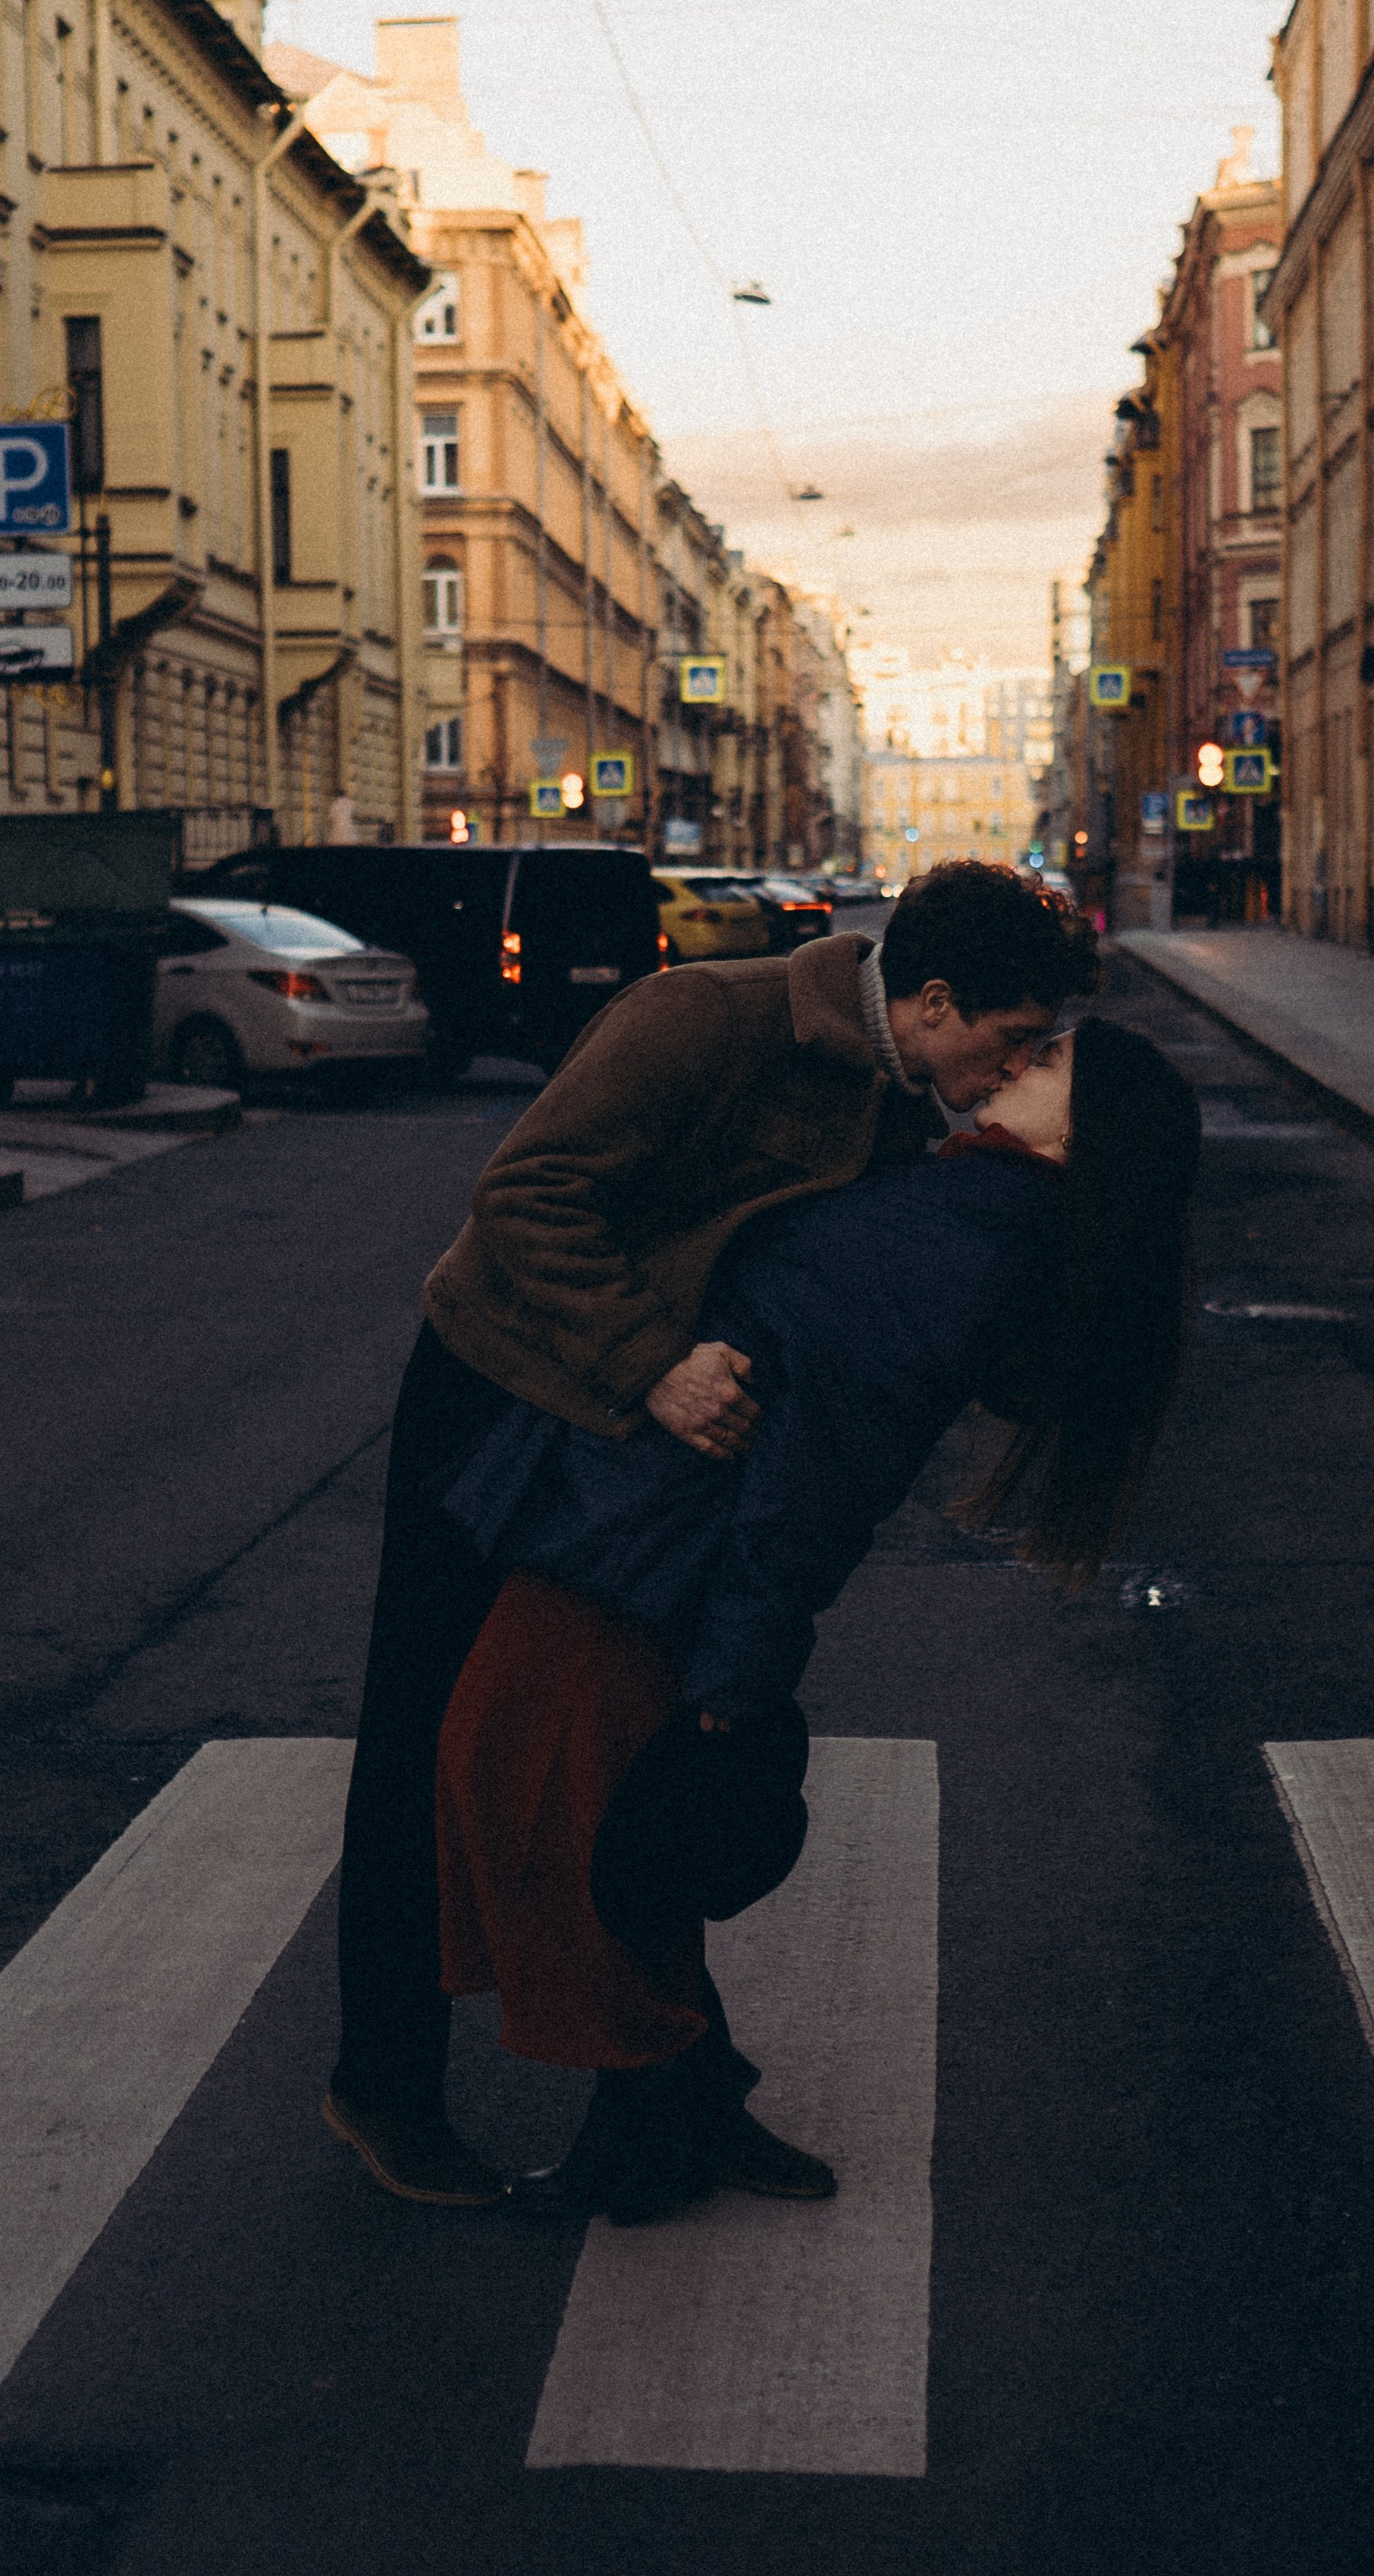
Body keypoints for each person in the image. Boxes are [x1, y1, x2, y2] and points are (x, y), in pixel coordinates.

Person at [325, 861, 1100, 2208]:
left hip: (645, 1455)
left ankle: (679, 2089)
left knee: (648, 1763)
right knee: (423, 1740)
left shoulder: (903, 1095)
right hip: (505, 1388)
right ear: (929, 1001)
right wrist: (655, 1364)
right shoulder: (701, 1018)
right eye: (1013, 1039)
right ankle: (383, 2089)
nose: (1019, 1065)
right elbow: (524, 1196)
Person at [431, 1010, 1204, 2227]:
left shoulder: (975, 1240)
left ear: (1093, 1134)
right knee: (587, 1815)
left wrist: (735, 1683)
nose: (1014, 1065)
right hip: (642, 1523)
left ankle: (643, 2130)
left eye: (1047, 1062)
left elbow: (818, 1480)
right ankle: (689, 2099)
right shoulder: (974, 1200)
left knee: (525, 1801)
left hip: (651, 1544)